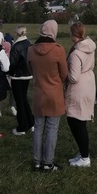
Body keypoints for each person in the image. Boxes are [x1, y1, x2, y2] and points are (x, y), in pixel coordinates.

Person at [27, 20, 68, 172]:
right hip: (54, 94)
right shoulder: (58, 50)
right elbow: (64, 73)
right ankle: (48, 163)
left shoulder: (31, 49)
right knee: (52, 128)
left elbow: (30, 70)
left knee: (38, 128)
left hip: (39, 93)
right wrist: (55, 81)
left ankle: (37, 162)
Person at [64, 21, 96, 167]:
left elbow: (74, 77)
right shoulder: (90, 48)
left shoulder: (76, 53)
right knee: (79, 121)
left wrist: (64, 71)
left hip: (78, 89)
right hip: (88, 84)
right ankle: (83, 152)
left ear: (73, 34)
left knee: (77, 122)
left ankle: (84, 157)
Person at [8, 25, 33, 136]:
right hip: (27, 75)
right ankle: (31, 123)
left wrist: (9, 73)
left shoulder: (16, 46)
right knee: (24, 99)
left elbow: (12, 63)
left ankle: (22, 127)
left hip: (17, 76)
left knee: (19, 102)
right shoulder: (29, 44)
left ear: (16, 34)